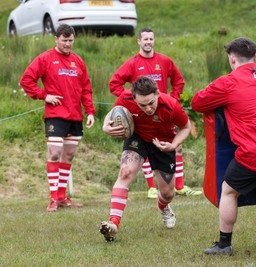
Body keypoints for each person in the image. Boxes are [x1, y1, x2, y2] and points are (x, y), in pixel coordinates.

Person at [191, 37, 256, 256]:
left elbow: (197, 103)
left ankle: (224, 244)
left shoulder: (227, 82)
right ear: (255, 57)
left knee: (229, 191)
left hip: (255, 152)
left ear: (231, 59)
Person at [109, 27, 201, 199]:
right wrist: (131, 102)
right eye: (145, 39)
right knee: (144, 147)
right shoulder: (132, 63)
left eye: (151, 39)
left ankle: (179, 186)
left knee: (176, 146)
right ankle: (152, 187)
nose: (148, 42)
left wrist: (171, 99)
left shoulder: (165, 61)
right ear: (138, 41)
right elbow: (114, 84)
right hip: (141, 116)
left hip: (163, 113)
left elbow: (178, 81)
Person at [99, 76, 191, 242]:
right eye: (142, 105)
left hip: (163, 143)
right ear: (134, 98)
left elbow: (186, 127)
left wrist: (174, 145)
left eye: (151, 103)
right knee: (125, 173)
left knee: (168, 193)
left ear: (157, 94)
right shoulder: (126, 98)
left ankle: (163, 207)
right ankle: (113, 224)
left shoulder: (171, 106)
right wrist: (106, 126)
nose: (148, 108)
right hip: (138, 138)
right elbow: (113, 113)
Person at [20, 24, 96, 212]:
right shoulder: (45, 58)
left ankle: (62, 197)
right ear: (56, 39)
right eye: (64, 40)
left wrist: (91, 111)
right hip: (55, 115)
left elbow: (86, 88)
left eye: (71, 41)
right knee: (54, 153)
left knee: (68, 156)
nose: (68, 44)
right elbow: (26, 80)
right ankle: (53, 198)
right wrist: (44, 95)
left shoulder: (78, 61)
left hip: (75, 116)